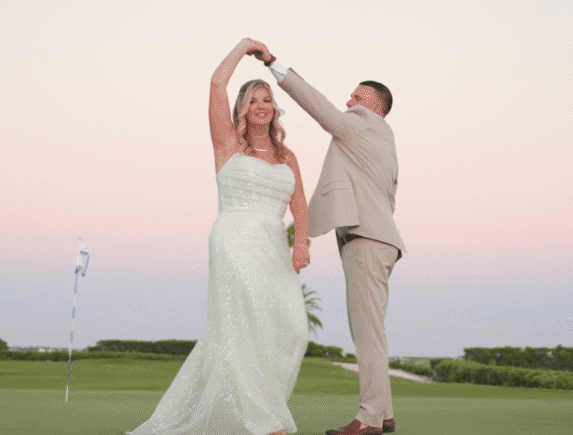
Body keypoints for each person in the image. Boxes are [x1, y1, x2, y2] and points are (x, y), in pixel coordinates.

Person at [127, 38, 310, 435]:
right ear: (242, 108)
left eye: (267, 100)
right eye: (254, 100)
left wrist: (300, 243)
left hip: (273, 246)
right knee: (241, 329)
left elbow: (300, 207)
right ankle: (264, 422)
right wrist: (243, 47)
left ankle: (261, 409)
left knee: (293, 328)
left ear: (275, 109)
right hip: (234, 238)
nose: (262, 105)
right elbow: (215, 85)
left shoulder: (287, 156)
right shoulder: (228, 144)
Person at [248, 41, 406, 435]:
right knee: (372, 331)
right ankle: (383, 414)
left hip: (367, 241)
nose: (349, 100)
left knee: (367, 333)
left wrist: (273, 63)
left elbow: (318, 106)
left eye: (358, 96)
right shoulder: (384, 139)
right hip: (379, 240)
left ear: (375, 106)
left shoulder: (361, 123)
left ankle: (369, 419)